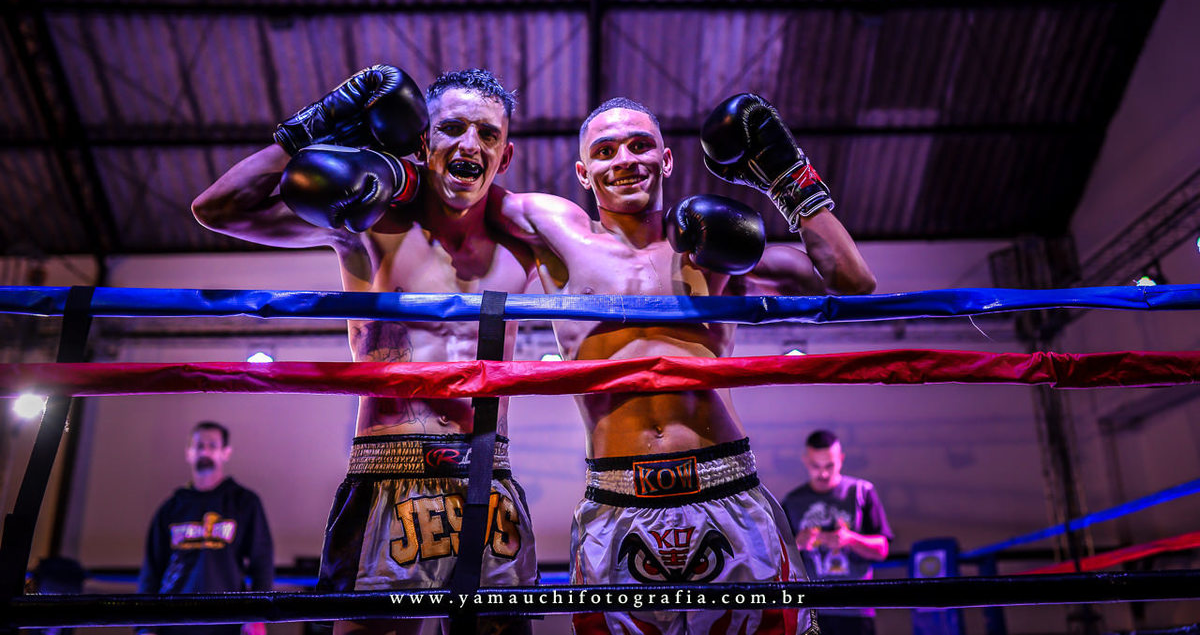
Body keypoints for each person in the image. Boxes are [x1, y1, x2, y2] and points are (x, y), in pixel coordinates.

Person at [490, 94, 876, 635]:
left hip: (727, 487)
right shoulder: (558, 236)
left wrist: (787, 177)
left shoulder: (716, 251)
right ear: (582, 172)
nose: (625, 160)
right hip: (617, 497)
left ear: (666, 159)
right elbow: (462, 184)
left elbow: (852, 283)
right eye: (605, 151)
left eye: (640, 145)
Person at [191, 66, 537, 635]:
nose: (470, 144)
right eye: (452, 128)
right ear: (422, 140)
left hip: (485, 475)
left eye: (488, 133)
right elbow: (218, 209)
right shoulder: (368, 220)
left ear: (505, 155)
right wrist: (310, 127)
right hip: (386, 469)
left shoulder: (527, 237)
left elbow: (622, 260)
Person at [137, 421, 274, 635]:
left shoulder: (244, 502)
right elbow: (151, 571)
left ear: (226, 452)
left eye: (212, 446)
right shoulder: (170, 508)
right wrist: (145, 627)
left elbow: (262, 563)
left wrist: (257, 616)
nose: (205, 452)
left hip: (227, 622)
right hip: (173, 623)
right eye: (199, 446)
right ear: (188, 453)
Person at [781, 430, 893, 635]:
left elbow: (882, 549)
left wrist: (851, 539)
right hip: (809, 610)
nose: (823, 473)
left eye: (829, 466)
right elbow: (775, 559)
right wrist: (797, 544)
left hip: (856, 609)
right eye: (816, 466)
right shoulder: (791, 501)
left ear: (841, 459)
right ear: (805, 461)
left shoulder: (862, 491)